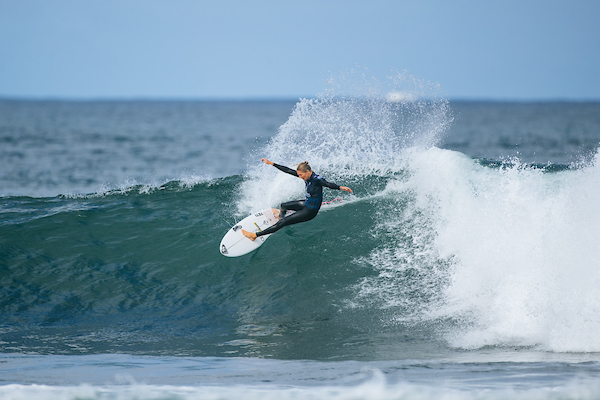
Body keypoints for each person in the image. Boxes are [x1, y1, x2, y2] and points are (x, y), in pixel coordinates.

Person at [242, 158, 353, 241]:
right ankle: (280, 216)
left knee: (283, 222)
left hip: (310, 212)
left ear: (307, 172)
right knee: (283, 205)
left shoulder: (317, 179)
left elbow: (328, 184)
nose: (300, 177)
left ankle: (254, 235)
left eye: (301, 175)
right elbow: (288, 171)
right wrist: (272, 164)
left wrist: (340, 187)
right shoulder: (306, 176)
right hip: (306, 204)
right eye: (299, 175)